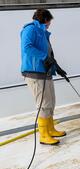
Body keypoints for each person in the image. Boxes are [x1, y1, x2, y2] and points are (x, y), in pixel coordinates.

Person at [20, 9, 67, 146]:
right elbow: (27, 48)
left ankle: (51, 129)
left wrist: (56, 66)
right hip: (34, 73)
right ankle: (44, 135)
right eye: (49, 20)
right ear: (44, 19)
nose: (50, 24)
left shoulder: (43, 32)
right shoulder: (30, 29)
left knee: (51, 101)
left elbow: (47, 52)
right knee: (43, 104)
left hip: (45, 72)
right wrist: (45, 57)